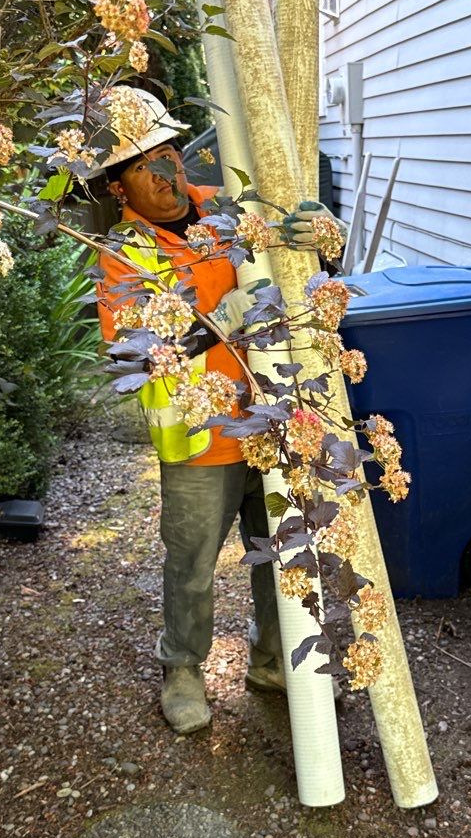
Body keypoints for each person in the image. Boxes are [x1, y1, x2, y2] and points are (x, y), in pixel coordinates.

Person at [90, 89, 339, 734]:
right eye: (144, 167)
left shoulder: (228, 211)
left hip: (276, 415)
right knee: (194, 563)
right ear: (119, 189)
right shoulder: (124, 256)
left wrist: (319, 242)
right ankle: (181, 669)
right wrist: (226, 311)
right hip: (199, 437)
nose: (166, 173)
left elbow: (305, 281)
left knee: (277, 551)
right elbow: (132, 353)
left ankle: (270, 659)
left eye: (170, 154)